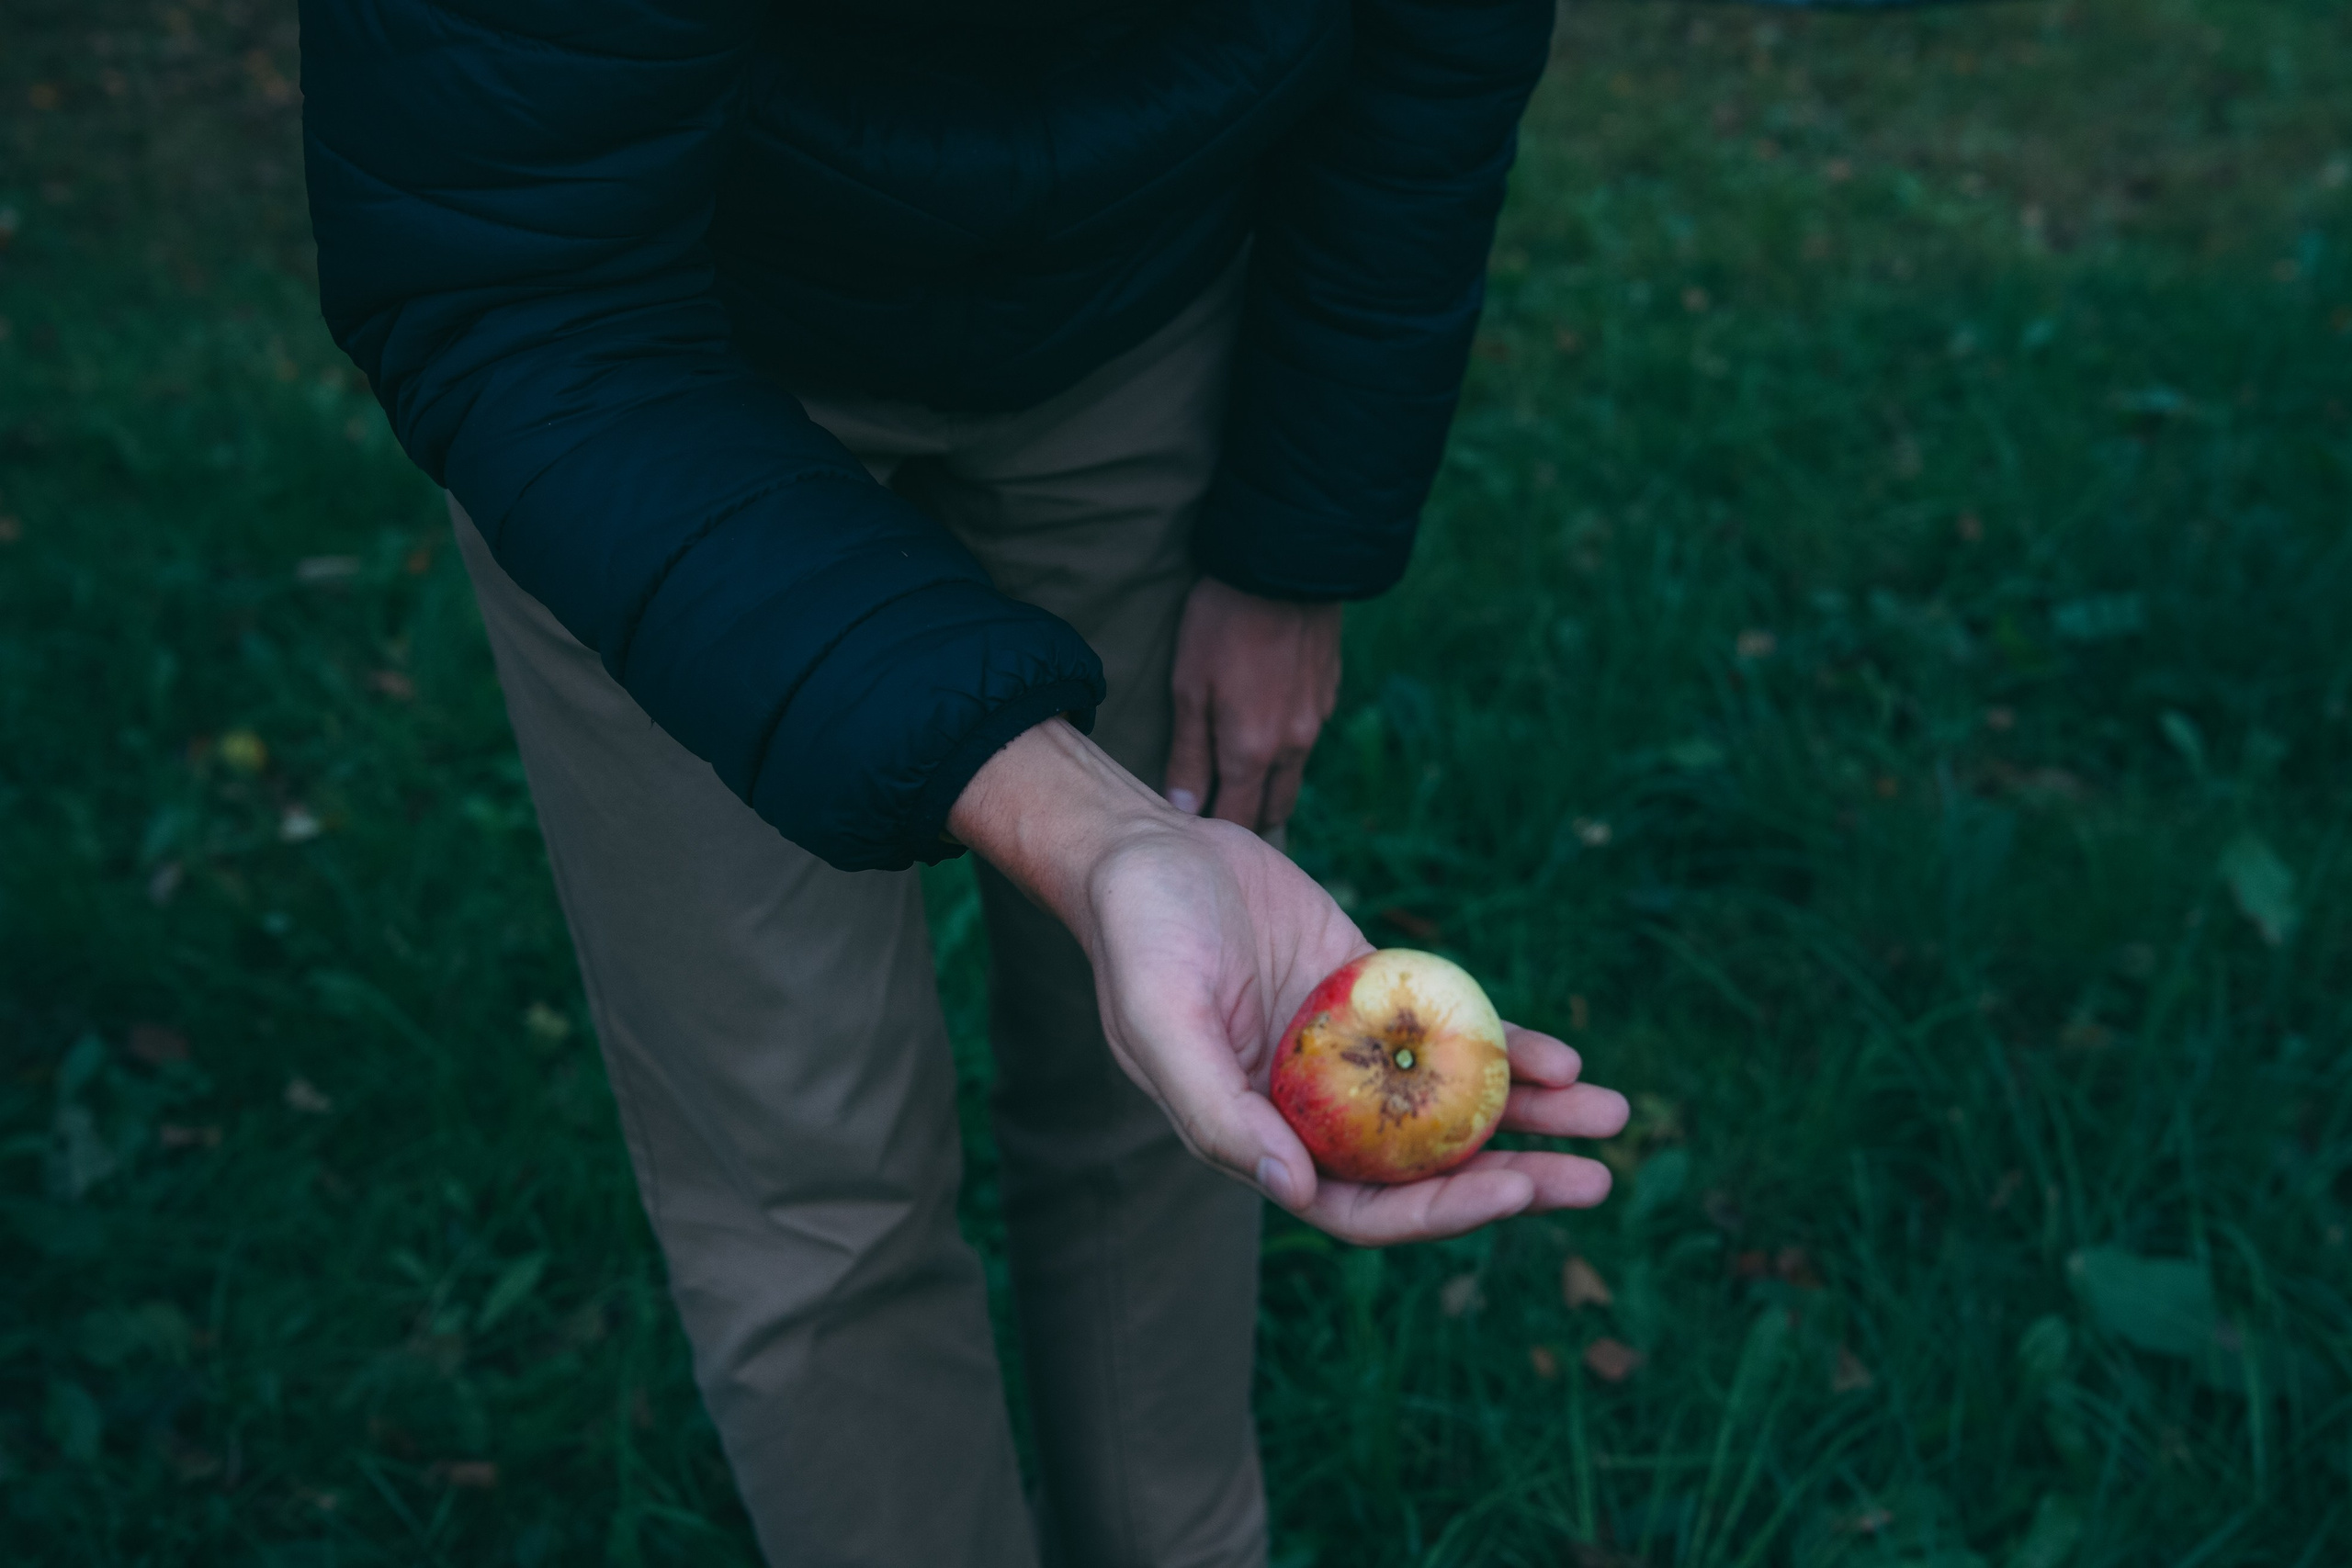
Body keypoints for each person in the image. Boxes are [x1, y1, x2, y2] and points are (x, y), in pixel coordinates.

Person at [300, 1, 1630, 1562]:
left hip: (1137, 301)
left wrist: (1296, 542)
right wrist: (1092, 826)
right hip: (649, 392)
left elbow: (1434, 49)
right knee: (810, 1171)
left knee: (1203, 1067)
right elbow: (509, 276)